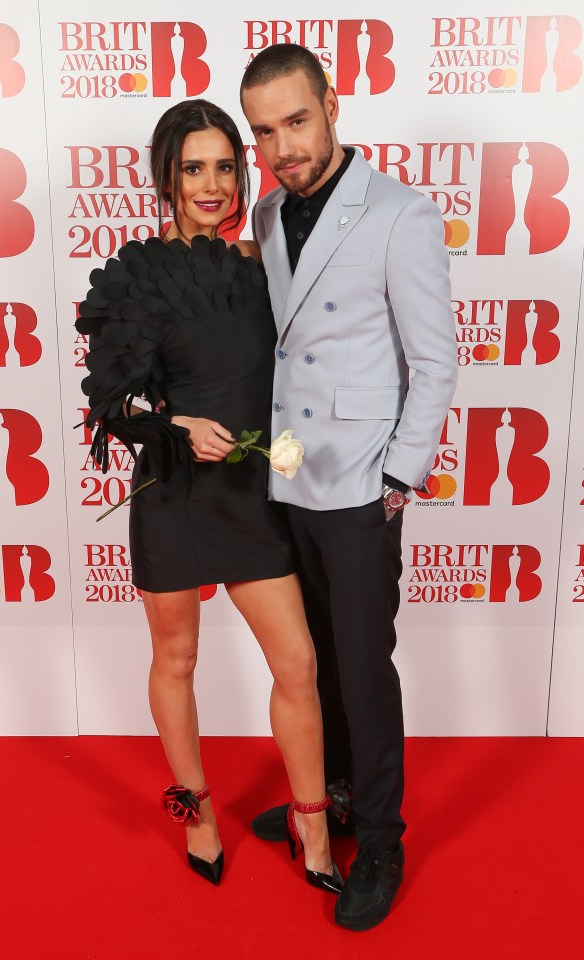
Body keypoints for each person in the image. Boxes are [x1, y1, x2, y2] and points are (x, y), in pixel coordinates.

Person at [76, 99, 342, 892]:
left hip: (250, 493)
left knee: (297, 659)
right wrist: (173, 420)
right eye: (194, 168)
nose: (214, 184)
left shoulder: (265, 267)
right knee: (178, 657)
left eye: (227, 165)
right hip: (177, 492)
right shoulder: (134, 275)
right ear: (166, 175)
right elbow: (111, 402)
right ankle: (197, 812)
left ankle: (311, 819)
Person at [240, 45, 458, 929]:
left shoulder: (400, 212)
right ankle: (324, 793)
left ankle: (386, 835)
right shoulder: (263, 211)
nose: (283, 147)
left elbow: (436, 363)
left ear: (332, 104)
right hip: (289, 473)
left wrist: (399, 476)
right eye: (264, 132)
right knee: (311, 657)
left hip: (364, 481)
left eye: (296, 120)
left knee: (364, 669)